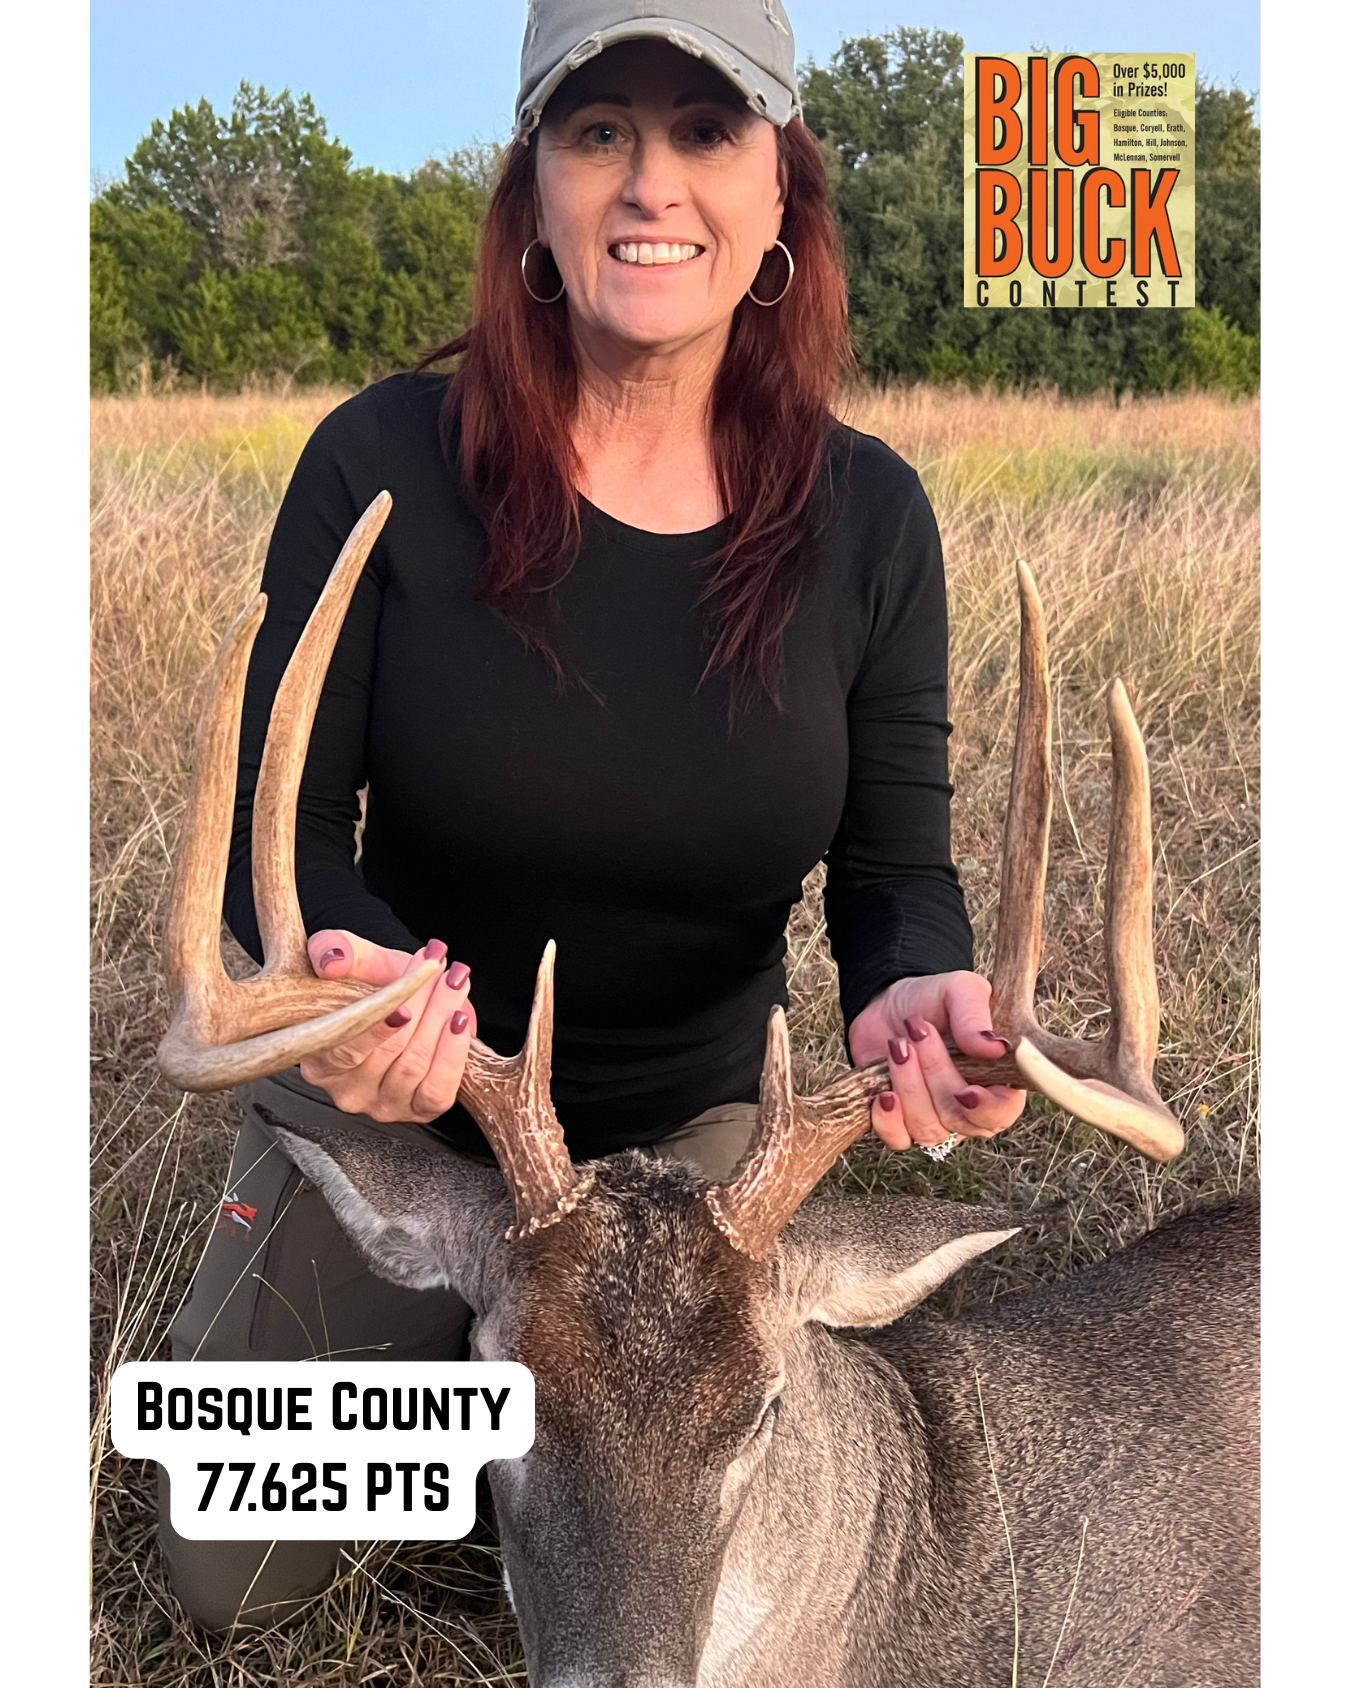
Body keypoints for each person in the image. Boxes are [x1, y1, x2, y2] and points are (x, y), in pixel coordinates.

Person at [158, 0, 1025, 1631]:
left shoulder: (868, 518)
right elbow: (282, 843)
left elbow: (895, 866)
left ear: (780, 194)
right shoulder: (379, 462)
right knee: (229, 1570)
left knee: (753, 1568)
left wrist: (919, 983)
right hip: (415, 1130)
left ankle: (543, 1462)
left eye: (705, 132)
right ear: (533, 189)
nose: (651, 185)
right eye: (597, 130)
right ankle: (515, 1454)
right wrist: (349, 1001)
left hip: (700, 1160)